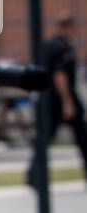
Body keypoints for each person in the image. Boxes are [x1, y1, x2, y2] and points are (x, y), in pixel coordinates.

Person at [27, 11, 87, 188]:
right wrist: (67, 102)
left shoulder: (48, 45)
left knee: (44, 139)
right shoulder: (62, 48)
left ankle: (33, 176)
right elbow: (60, 76)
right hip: (61, 99)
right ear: (67, 27)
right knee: (83, 138)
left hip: (48, 100)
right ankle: (33, 176)